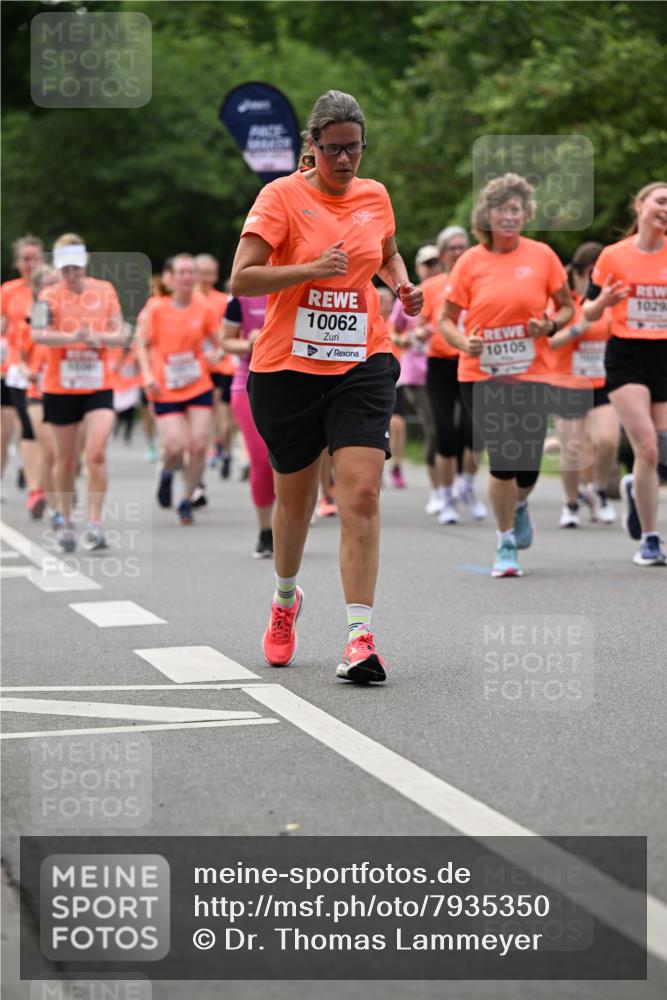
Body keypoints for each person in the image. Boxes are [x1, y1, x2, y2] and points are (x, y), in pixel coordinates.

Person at [230, 89, 423, 683]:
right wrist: (310, 270)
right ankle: (286, 598)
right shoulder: (280, 197)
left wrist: (402, 285)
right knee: (296, 505)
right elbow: (242, 279)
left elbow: (387, 255)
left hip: (361, 359)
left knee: (361, 493)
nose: (345, 161)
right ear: (311, 147)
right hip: (288, 367)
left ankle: (360, 638)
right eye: (334, 149)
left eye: (354, 149)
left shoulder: (376, 196)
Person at [441, 173, 573, 577]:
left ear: (526, 213)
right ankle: (505, 544)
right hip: (480, 372)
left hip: (533, 370)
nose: (509, 216)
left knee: (527, 463)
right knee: (502, 455)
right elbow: (446, 320)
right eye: (501, 209)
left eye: (516, 209)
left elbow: (566, 307)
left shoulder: (543, 256)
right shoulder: (470, 261)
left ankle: (519, 506)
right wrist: (463, 343)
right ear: (487, 214)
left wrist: (548, 326)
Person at [583, 181, 667, 566]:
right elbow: (588, 312)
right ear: (640, 206)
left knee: (659, 454)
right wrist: (603, 301)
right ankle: (650, 539)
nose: (665, 209)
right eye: (661, 201)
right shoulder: (614, 256)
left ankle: (636, 485)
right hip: (627, 355)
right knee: (646, 447)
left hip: (663, 354)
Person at [32, 234, 125, 552]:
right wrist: (70, 336)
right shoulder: (48, 295)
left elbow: (121, 333)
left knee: (96, 452)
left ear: (84, 263)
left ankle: (95, 524)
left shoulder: (105, 290)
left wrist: (98, 337)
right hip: (61, 386)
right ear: (58, 268)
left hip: (99, 384)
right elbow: (38, 334)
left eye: (76, 267)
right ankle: (66, 518)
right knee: (66, 460)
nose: (71, 274)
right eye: (65, 268)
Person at [135, 253, 218, 525]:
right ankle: (167, 472)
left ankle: (186, 499)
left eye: (191, 271)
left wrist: (218, 353)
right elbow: (141, 344)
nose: (187, 276)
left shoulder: (203, 307)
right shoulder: (156, 308)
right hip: (165, 387)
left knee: (197, 445)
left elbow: (218, 341)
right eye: (181, 272)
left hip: (198, 384)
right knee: (175, 446)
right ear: (170, 277)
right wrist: (147, 375)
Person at [548, 242, 619, 528]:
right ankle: (570, 503)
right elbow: (548, 342)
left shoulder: (607, 299)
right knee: (573, 449)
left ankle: (598, 491)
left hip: (603, 381)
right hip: (568, 380)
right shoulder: (563, 301)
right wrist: (578, 329)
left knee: (607, 441)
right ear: (585, 271)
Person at [421, 226, 487, 523]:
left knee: (476, 432)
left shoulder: (481, 281)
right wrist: (420, 331)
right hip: (441, 364)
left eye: (464, 246)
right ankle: (446, 497)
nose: (459, 252)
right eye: (453, 248)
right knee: (445, 432)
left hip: (475, 362)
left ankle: (467, 486)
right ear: (443, 253)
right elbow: (417, 322)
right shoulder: (433, 286)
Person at [221, 293, 274, 556]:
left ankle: (289, 523)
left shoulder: (297, 284)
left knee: (296, 462)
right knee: (262, 459)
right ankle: (266, 531)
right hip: (248, 383)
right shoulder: (241, 298)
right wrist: (247, 344)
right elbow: (226, 340)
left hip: (293, 382)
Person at [1, 235, 46, 516]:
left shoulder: (52, 289)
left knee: (30, 425)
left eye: (36, 258)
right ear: (17, 263)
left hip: (44, 369)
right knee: (6, 430)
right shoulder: (8, 290)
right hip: (11, 368)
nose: (31, 264)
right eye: (26, 259)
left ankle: (31, 473)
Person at [194, 254, 234, 481]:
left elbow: (230, 332)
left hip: (220, 363)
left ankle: (223, 448)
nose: (207, 277)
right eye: (203, 272)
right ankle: (210, 448)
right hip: (196, 365)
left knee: (222, 413)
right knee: (204, 412)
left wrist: (221, 351)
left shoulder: (223, 300)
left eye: (211, 273)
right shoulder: (188, 299)